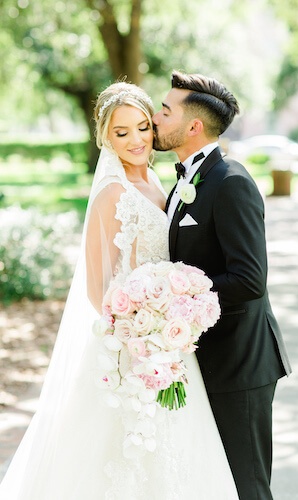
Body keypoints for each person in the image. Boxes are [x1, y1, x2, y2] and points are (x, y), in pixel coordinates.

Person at [0, 82, 239, 499]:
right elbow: (98, 289)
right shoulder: (112, 195)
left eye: (143, 127)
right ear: (106, 137)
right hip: (130, 350)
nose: (136, 140)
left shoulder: (159, 184)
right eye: (121, 132)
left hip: (168, 345)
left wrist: (168, 328)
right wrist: (141, 339)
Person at [153, 70, 292, 500]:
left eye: (164, 110)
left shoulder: (231, 182)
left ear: (193, 125)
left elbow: (249, 279)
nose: (155, 118)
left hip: (240, 361)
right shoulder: (183, 180)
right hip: (202, 358)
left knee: (247, 485)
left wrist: (174, 294)